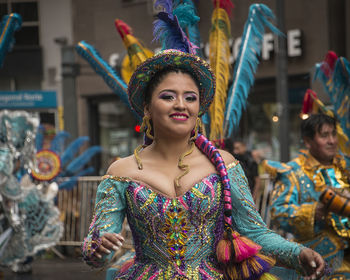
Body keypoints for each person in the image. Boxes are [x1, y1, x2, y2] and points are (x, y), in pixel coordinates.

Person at [81, 49, 326, 280]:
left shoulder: (223, 164)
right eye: (168, 96)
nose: (180, 104)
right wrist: (99, 247)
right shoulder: (121, 172)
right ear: (147, 107)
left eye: (190, 98)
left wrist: (297, 253)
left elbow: (255, 232)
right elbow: (98, 252)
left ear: (198, 109)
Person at [265, 113, 350, 279]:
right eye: (324, 135)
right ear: (308, 141)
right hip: (321, 255)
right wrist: (312, 212)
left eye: (333, 134)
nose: (332, 141)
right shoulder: (293, 172)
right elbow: (278, 212)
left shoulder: (345, 165)